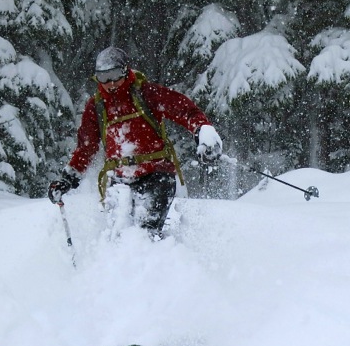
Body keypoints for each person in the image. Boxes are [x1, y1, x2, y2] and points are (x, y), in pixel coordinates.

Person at [48, 46, 222, 238]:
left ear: (125, 71)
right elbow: (86, 148)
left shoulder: (146, 94)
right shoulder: (96, 106)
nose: (110, 83)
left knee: (144, 236)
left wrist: (202, 130)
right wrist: (67, 179)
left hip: (156, 175)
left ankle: (165, 261)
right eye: (103, 77)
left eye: (114, 75)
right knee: (118, 237)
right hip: (119, 180)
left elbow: (184, 110)